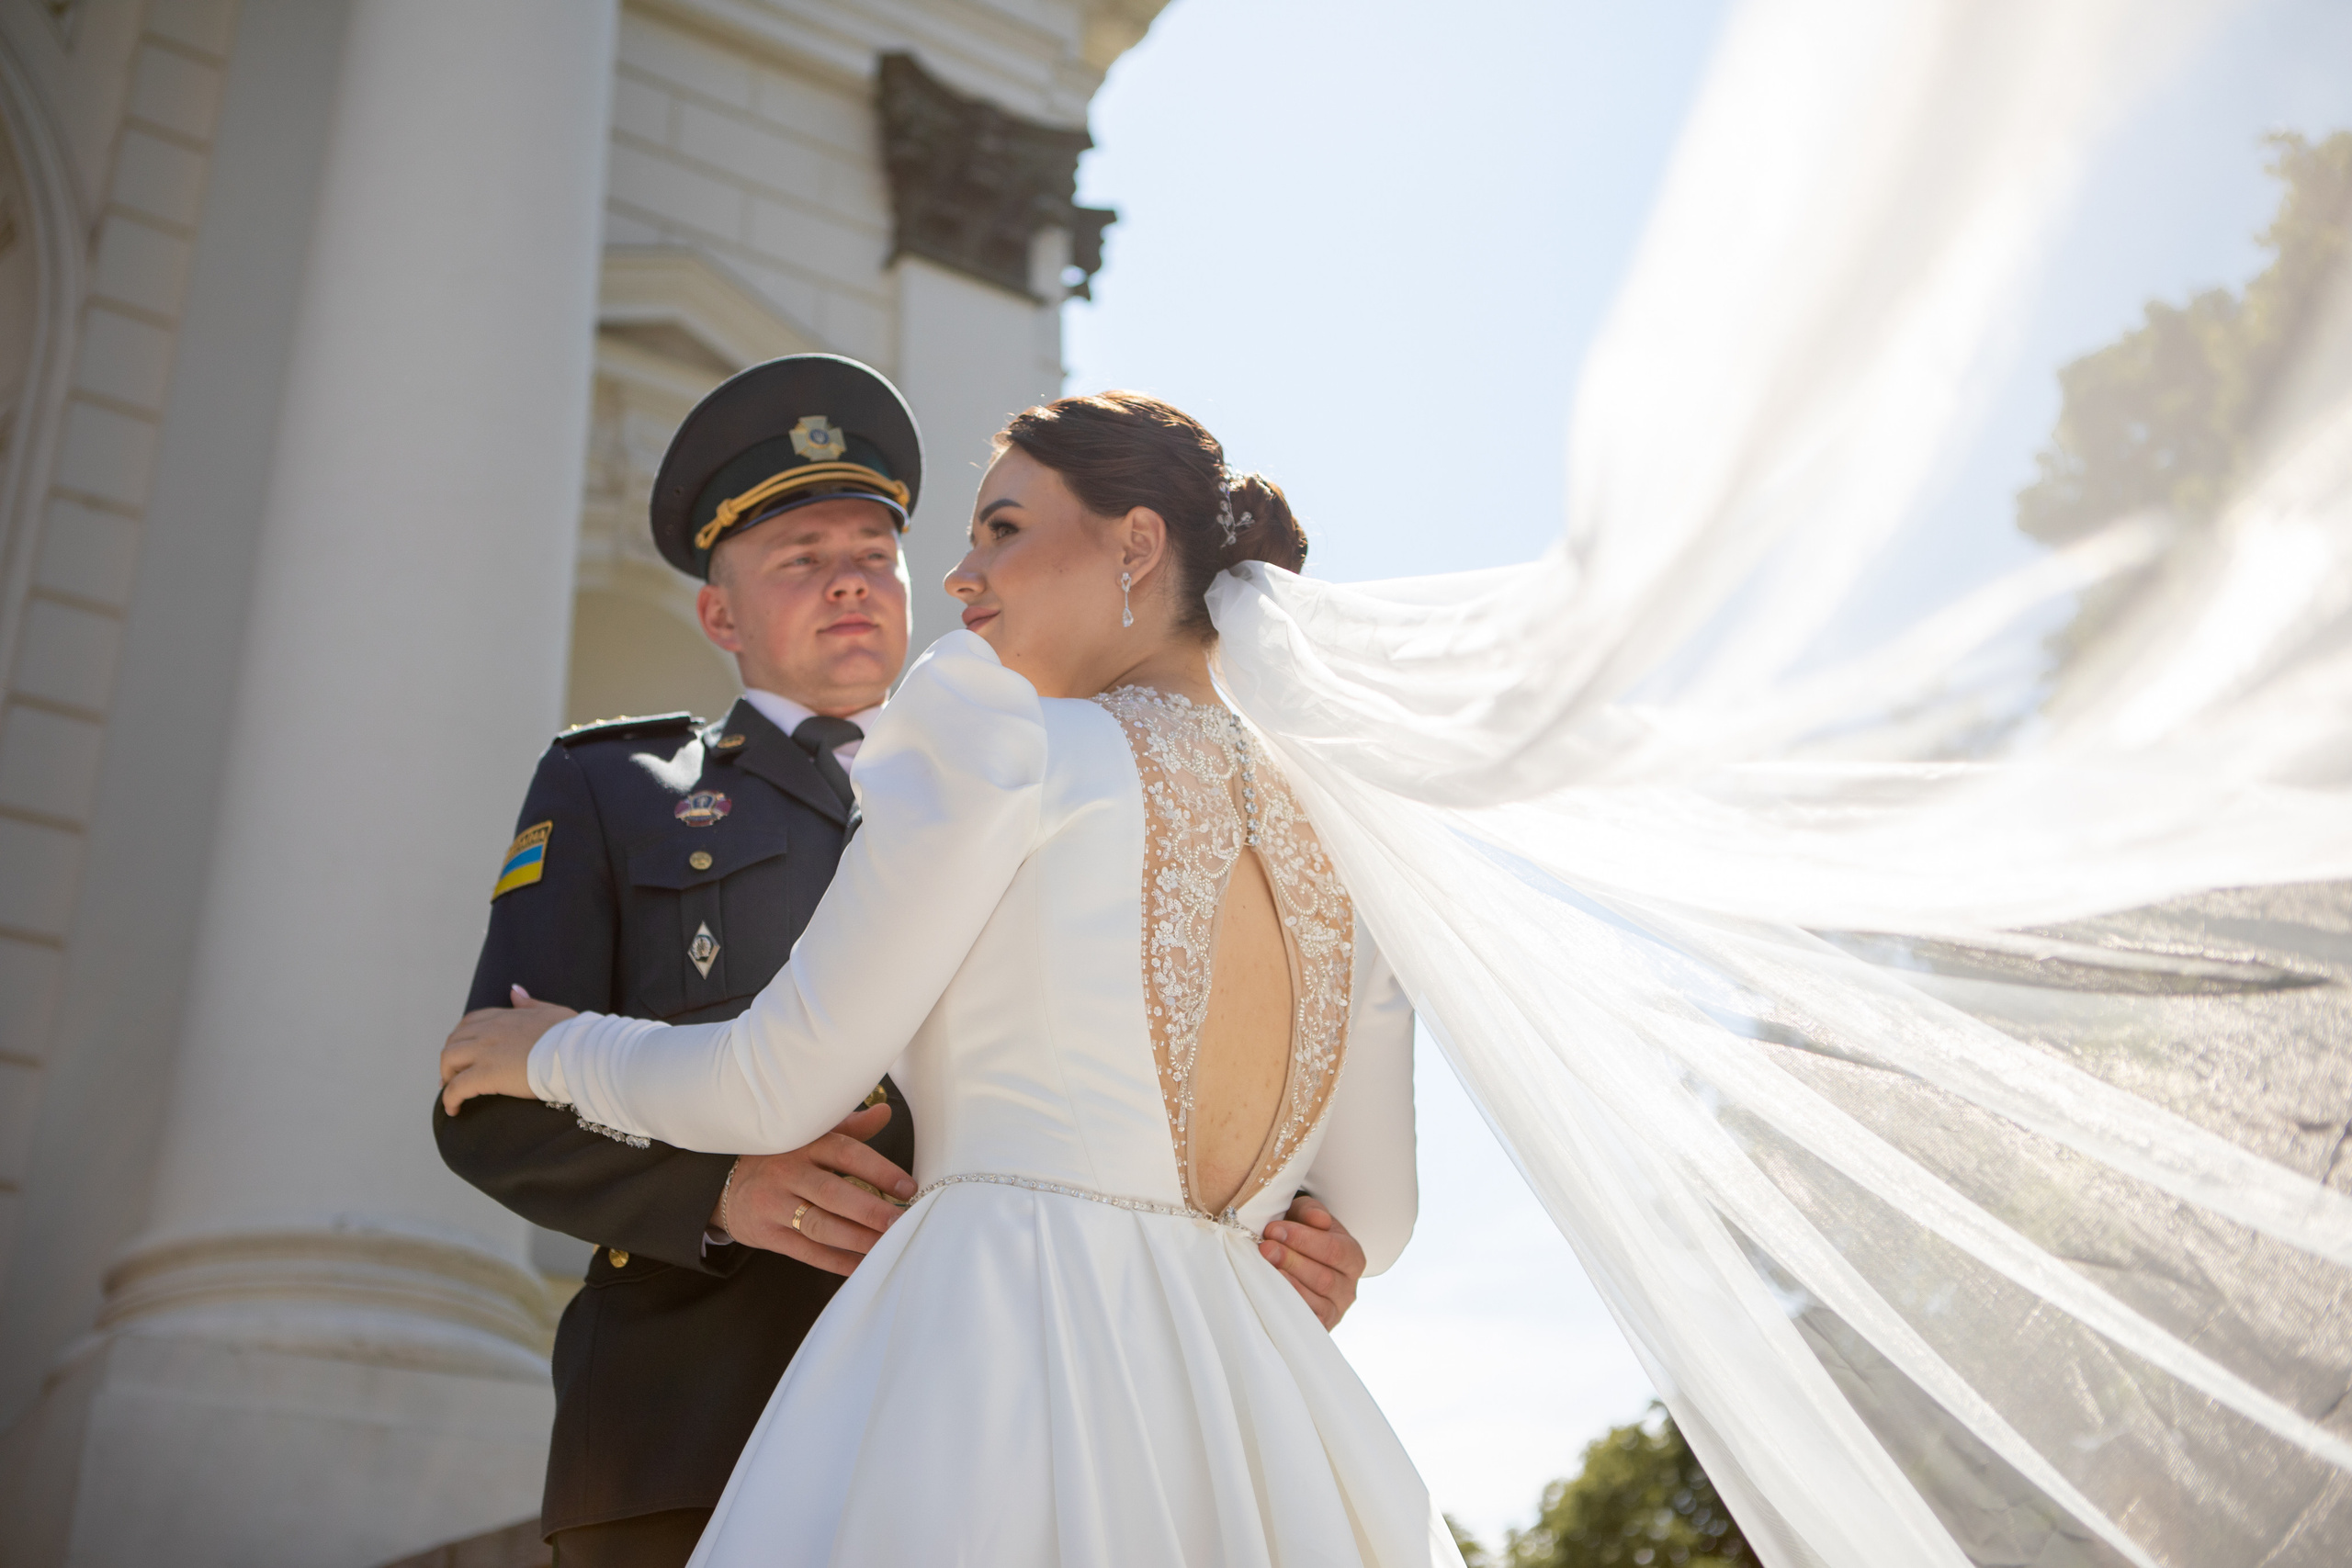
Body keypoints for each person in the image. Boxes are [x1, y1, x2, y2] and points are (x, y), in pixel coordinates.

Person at [441, 391, 1449, 1564]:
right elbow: (1378, 1215)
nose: (950, 575)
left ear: (1135, 548)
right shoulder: (1341, 828)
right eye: (802, 558)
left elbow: (772, 1078)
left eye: (988, 533)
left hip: (961, 1379)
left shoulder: (988, 743)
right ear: (719, 611)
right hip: (1216, 1414)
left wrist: (553, 1049)